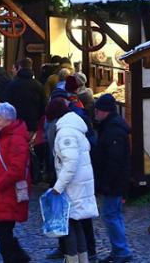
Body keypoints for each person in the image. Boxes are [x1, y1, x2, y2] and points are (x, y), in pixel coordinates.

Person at [50, 98, 99, 263]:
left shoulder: (65, 132)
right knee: (77, 225)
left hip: (72, 187)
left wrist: (58, 187)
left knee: (69, 227)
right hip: (79, 184)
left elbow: (70, 163)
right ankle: (82, 259)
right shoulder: (75, 128)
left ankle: (73, 260)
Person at [0, 103, 30, 263]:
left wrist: (0, 185)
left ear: (8, 120)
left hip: (7, 192)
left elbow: (16, 169)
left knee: (2, 230)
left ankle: (18, 258)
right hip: (2, 192)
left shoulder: (15, 139)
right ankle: (17, 257)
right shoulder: (6, 136)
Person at [92, 94, 132, 263]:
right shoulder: (112, 127)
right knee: (114, 215)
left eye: (98, 110)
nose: (96, 113)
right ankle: (119, 250)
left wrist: (106, 183)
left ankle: (121, 250)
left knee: (110, 215)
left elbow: (114, 161)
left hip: (114, 181)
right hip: (116, 180)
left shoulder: (113, 130)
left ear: (105, 111)